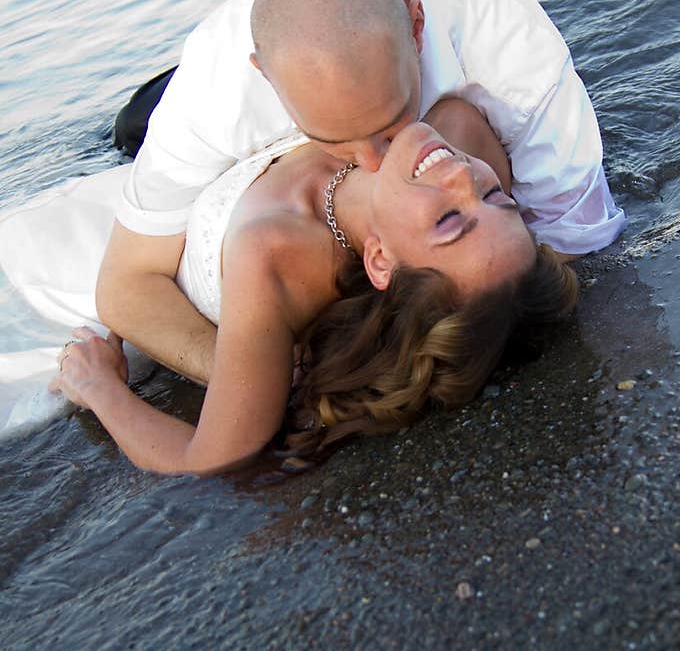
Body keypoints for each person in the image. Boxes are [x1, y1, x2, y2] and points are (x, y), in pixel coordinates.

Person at [97, 0, 624, 385]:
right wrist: (259, 374)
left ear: (417, 29)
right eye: (335, 138)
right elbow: (126, 285)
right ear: (266, 77)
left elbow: (575, 238)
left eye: (392, 119)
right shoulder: (218, 86)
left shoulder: (513, 55)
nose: (374, 162)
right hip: (188, 105)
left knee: (462, 123)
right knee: (127, 128)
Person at [36, 101, 577, 474]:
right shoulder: (457, 136)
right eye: (496, 198)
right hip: (224, 130)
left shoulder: (272, 254)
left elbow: (210, 458)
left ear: (381, 260)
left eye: (448, 221)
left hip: (155, 165)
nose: (464, 177)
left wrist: (101, 389)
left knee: (129, 122)